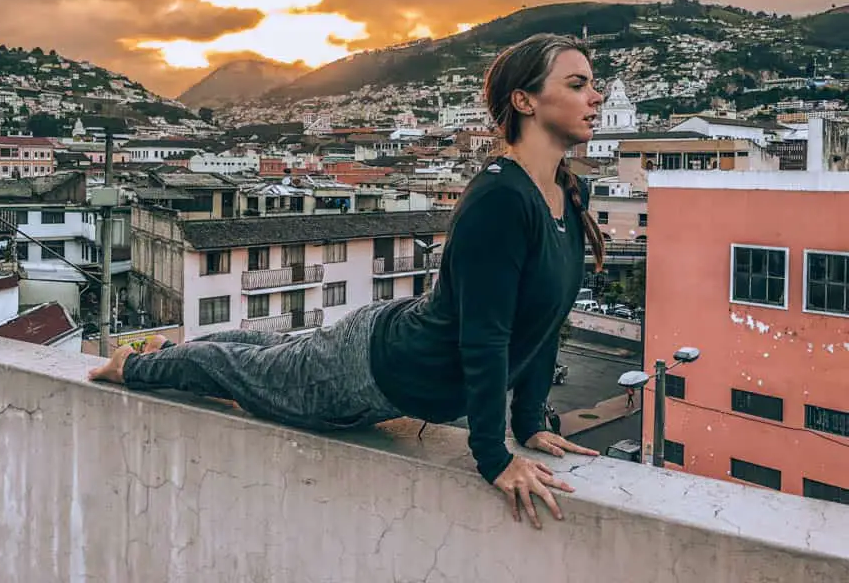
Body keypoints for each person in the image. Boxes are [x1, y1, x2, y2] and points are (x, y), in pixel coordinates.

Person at [90, 33, 606, 529]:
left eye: (593, 83)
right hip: (373, 367)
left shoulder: (564, 192)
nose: (596, 95)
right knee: (243, 371)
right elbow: (487, 335)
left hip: (391, 345)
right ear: (525, 100)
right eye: (577, 84)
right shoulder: (501, 199)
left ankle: (159, 349)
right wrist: (495, 457)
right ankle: (133, 364)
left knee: (269, 353)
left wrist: (531, 421)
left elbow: (544, 321)